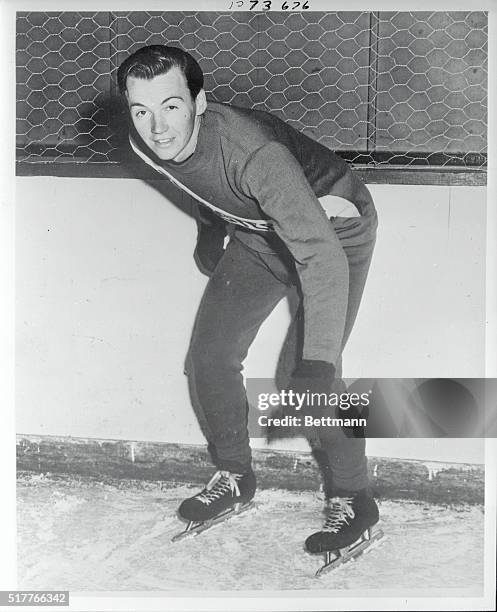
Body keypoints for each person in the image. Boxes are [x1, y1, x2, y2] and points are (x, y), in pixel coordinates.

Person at [117, 44, 379, 556]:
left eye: (171, 107)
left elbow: (319, 256)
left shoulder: (257, 155)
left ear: (200, 102)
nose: (157, 128)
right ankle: (235, 475)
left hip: (333, 233)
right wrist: (209, 228)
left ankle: (356, 497)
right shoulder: (146, 137)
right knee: (209, 359)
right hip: (260, 235)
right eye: (141, 110)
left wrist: (319, 362)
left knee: (301, 382)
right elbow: (195, 175)